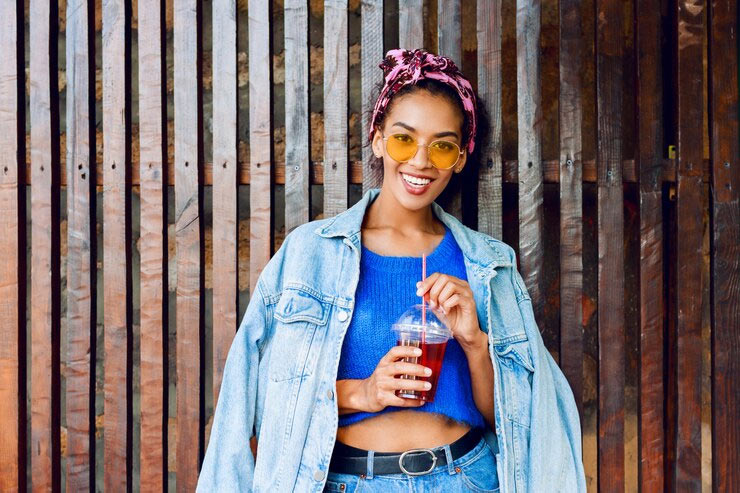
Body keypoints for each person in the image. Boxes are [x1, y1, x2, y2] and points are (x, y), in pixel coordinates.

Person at [196, 48, 586, 492]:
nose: (421, 161)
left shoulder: (490, 266)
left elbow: (519, 420)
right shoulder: (309, 255)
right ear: (378, 138)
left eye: (442, 146)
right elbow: (259, 402)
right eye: (404, 139)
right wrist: (364, 392)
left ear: (459, 158)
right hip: (348, 480)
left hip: (466, 479)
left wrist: (475, 342)